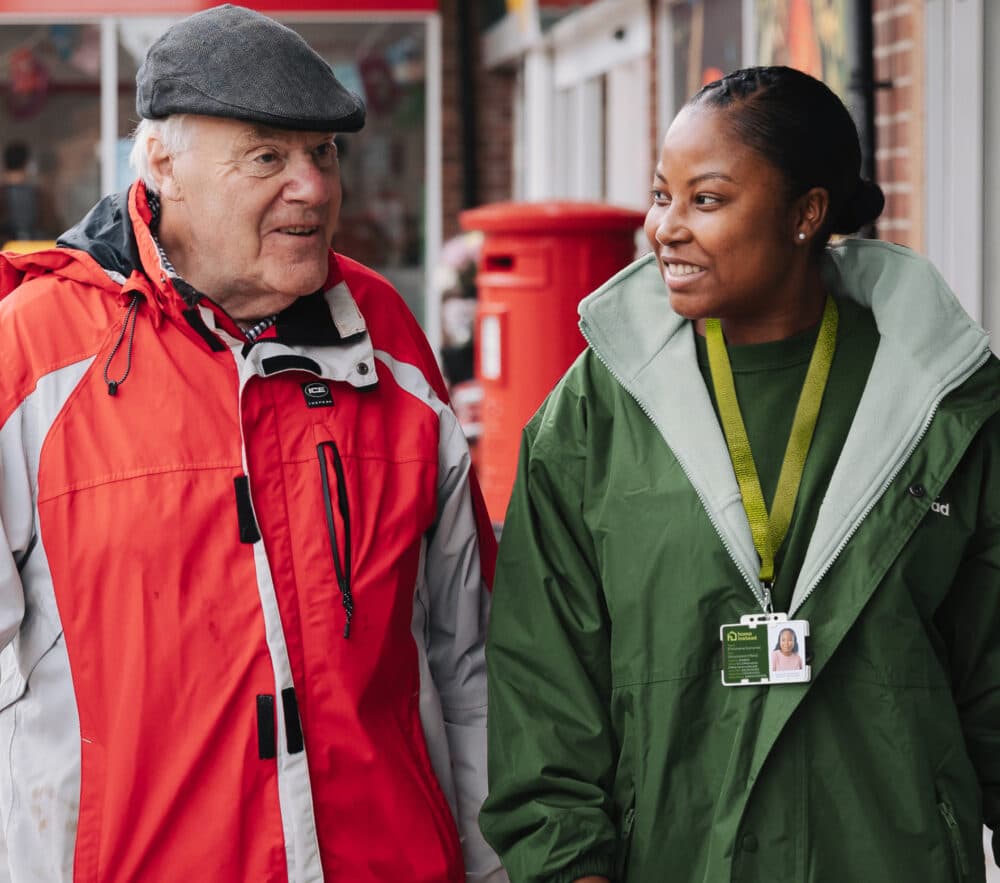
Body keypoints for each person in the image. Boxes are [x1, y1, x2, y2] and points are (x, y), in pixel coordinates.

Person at [0, 6, 503, 882]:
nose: (311, 186)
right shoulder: (34, 353)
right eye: (268, 156)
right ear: (163, 166)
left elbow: (471, 658)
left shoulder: (385, 334)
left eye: (324, 153)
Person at [480, 65, 999, 882]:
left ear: (806, 213)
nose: (667, 229)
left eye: (708, 200)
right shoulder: (591, 416)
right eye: (662, 196)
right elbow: (543, 693)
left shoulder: (943, 405)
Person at [0, 140, 60, 244]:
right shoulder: (40, 195)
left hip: (5, 254)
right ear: (27, 164)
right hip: (33, 252)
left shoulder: (3, 193)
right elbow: (54, 227)